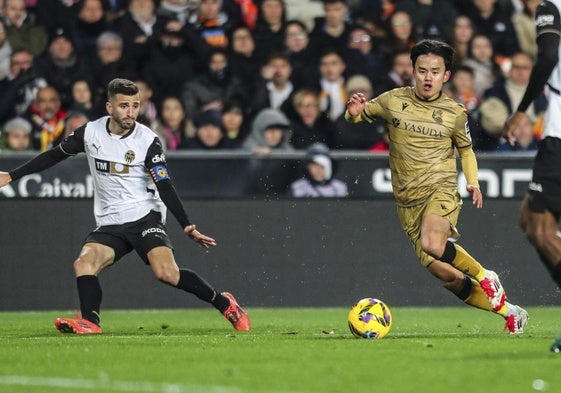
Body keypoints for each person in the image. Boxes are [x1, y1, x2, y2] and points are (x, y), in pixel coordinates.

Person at [0, 78, 251, 334]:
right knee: (83, 264)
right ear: (110, 108)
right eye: (124, 106)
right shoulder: (90, 133)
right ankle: (90, 322)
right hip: (110, 221)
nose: (130, 112)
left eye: (135, 106)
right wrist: (12, 175)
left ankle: (225, 303)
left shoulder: (148, 141)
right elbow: (54, 155)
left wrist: (186, 224)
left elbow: (165, 184)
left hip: (145, 216)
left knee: (166, 273)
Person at [346, 39, 529, 334]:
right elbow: (361, 114)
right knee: (449, 277)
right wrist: (354, 111)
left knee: (433, 244)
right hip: (408, 203)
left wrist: (472, 182)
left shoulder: (454, 112)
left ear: (446, 75)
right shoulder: (393, 100)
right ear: (412, 71)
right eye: (422, 70)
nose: (427, 77)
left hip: (440, 189)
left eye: (435, 71)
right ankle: (511, 312)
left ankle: (485, 275)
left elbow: (466, 150)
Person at [502, 0, 561, 351]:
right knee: (529, 218)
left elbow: (549, 58)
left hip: (560, 136)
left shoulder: (551, 6)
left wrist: (520, 110)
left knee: (539, 225)